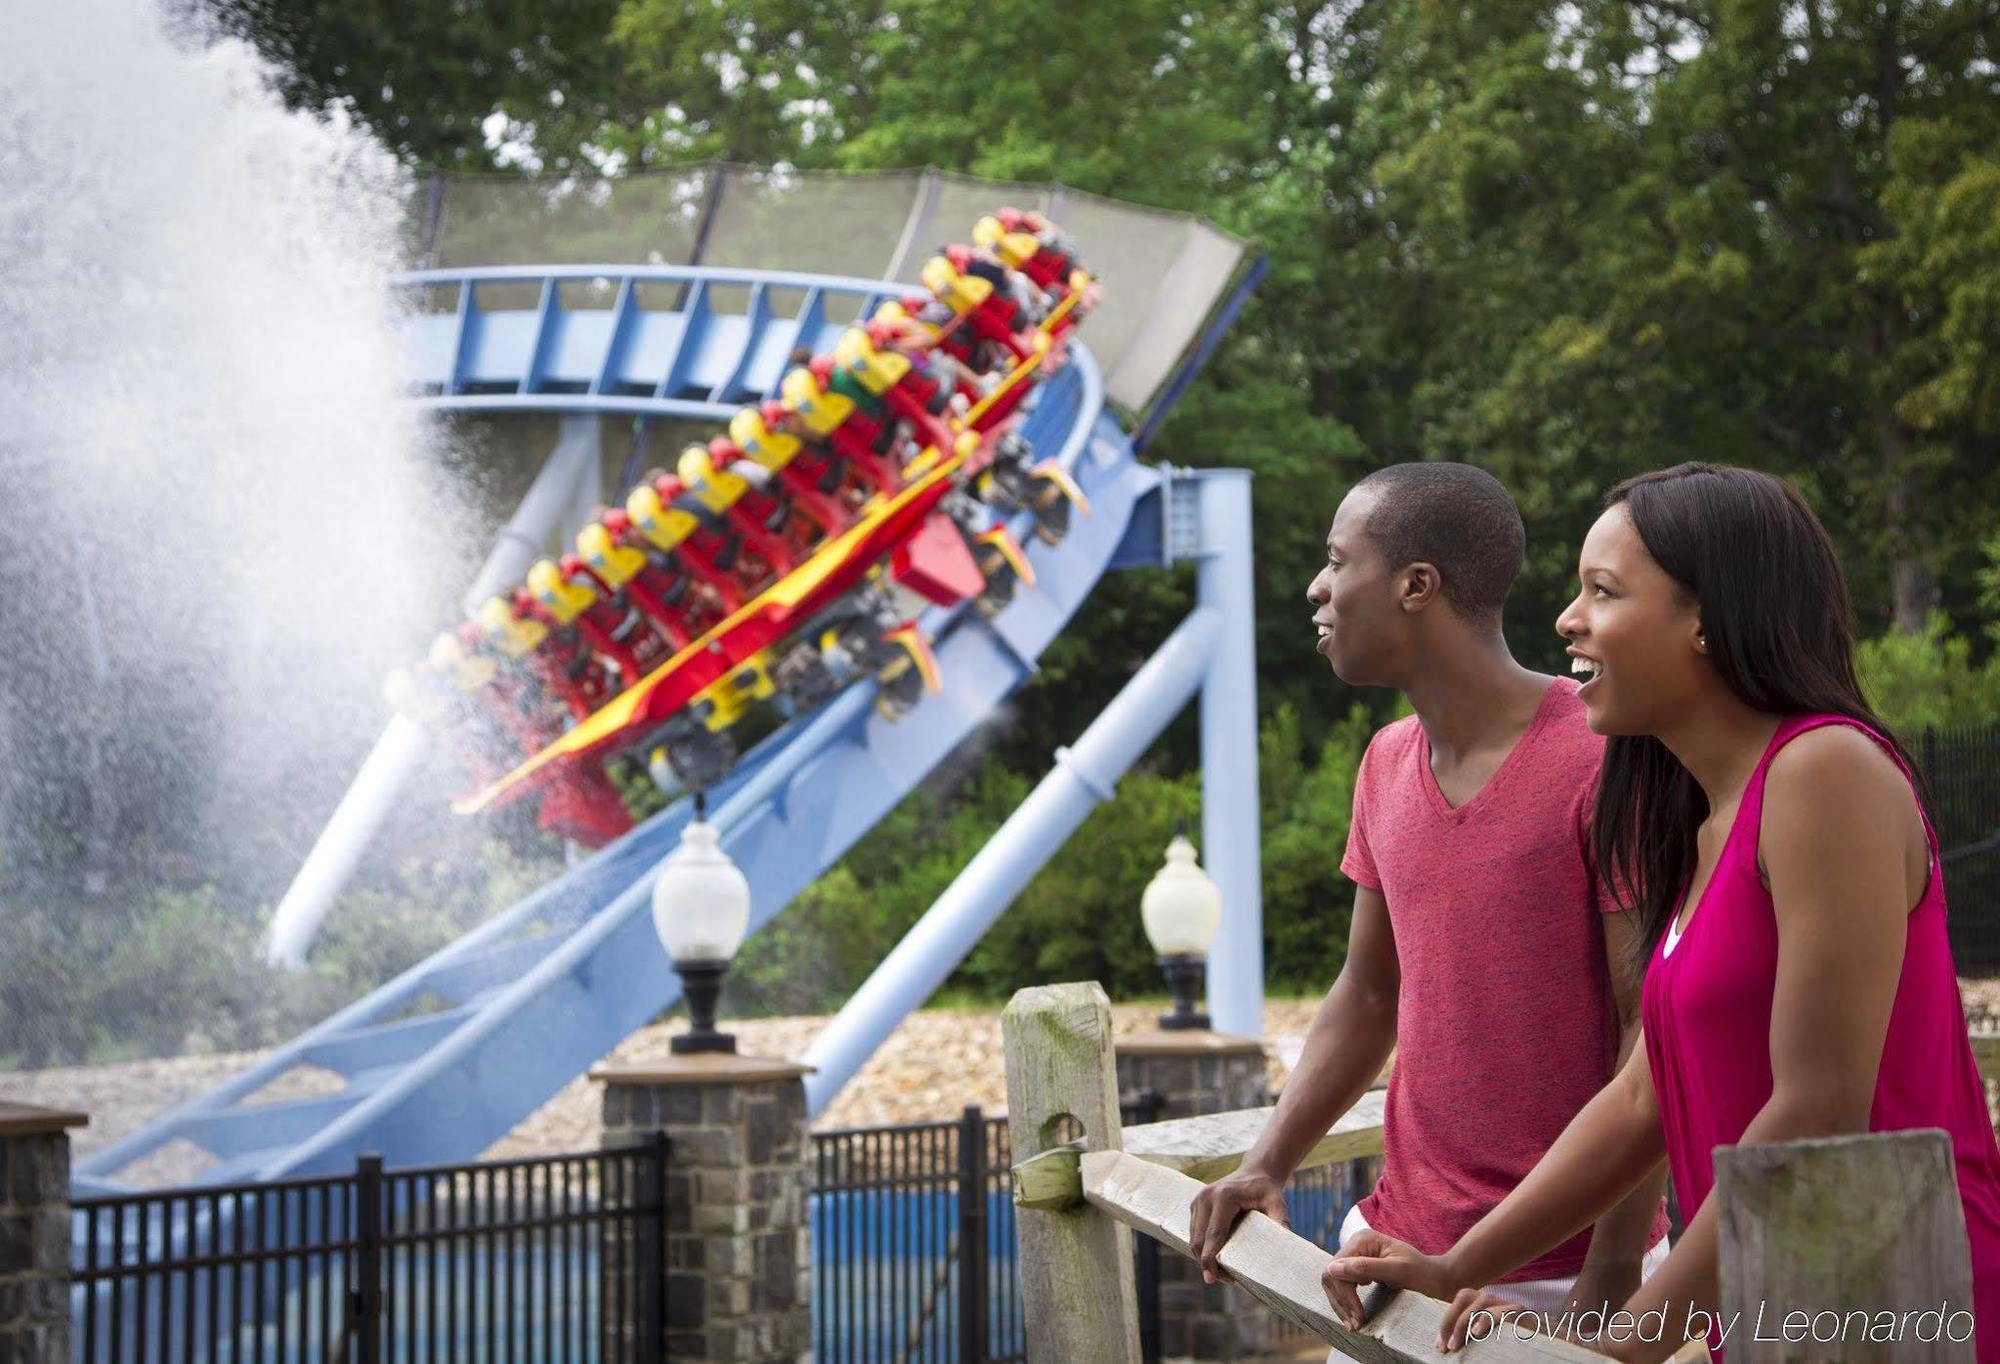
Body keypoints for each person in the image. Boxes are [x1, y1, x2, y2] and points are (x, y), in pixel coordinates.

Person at [1323, 462, 2000, 1361]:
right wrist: (1457, 1264)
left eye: (1602, 592)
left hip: (1899, 1299)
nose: (1566, 620)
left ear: (1707, 622)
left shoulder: (1823, 772)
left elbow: (1815, 1111)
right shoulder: (1707, 814)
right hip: (1784, 1303)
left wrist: (1621, 1343)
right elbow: (1644, 1095)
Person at [1189, 462, 1670, 1323]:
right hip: (1382, 1250)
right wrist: (1268, 1162)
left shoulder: (1604, 761)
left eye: (1339, 562)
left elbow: (1653, 1029)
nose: (1317, 588)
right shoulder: (1384, 763)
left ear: (1417, 585)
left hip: (1556, 1278)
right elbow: (1370, 992)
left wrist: (1615, 1263)